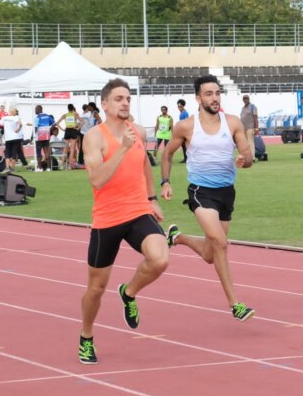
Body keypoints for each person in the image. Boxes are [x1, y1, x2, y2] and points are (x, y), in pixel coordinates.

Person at [78, 78, 169, 365]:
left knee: (160, 259)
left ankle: (129, 293)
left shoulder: (137, 131)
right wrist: (121, 149)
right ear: (104, 105)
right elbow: (97, 179)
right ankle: (86, 336)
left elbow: (143, 163)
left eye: (128, 98)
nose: (125, 103)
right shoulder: (94, 137)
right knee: (95, 288)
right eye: (118, 99)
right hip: (107, 218)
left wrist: (152, 197)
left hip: (137, 210)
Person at [159, 74, 255, 323]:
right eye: (209, 94)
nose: (214, 98)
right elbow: (167, 154)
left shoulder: (232, 122)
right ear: (198, 98)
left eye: (217, 93)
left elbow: (248, 155)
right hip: (200, 192)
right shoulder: (186, 126)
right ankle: (235, 304)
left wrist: (245, 160)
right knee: (221, 243)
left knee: (211, 254)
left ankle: (177, 237)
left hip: (226, 192)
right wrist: (166, 182)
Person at [56, 104, 81, 168]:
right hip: (73, 130)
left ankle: (61, 164)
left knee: (65, 148)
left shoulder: (65, 115)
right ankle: (70, 165)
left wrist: (62, 129)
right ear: (73, 108)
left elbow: (57, 123)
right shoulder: (75, 114)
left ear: (68, 109)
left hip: (67, 130)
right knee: (72, 149)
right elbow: (83, 121)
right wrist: (78, 128)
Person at [34, 105, 55, 172]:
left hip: (39, 136)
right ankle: (49, 168)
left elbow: (35, 127)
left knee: (38, 152)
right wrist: (49, 130)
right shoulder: (47, 116)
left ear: (39, 109)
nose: (35, 111)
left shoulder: (37, 117)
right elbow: (54, 123)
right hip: (46, 135)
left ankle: (39, 168)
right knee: (47, 152)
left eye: (36, 109)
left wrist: (34, 136)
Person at [240, 94, 259, 160]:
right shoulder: (243, 108)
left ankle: (252, 158)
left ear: (249, 99)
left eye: (246, 99)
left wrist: (256, 128)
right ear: (243, 100)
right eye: (244, 99)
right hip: (243, 128)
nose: (245, 100)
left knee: (250, 142)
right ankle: (247, 157)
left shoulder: (253, 107)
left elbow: (255, 118)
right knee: (245, 144)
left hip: (250, 127)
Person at [176, 98, 189, 163]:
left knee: (185, 146)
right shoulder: (181, 113)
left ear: (183, 106)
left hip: (184, 131)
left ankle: (187, 159)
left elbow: (186, 122)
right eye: (178, 106)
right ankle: (185, 158)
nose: (179, 107)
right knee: (183, 146)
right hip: (182, 131)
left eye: (180, 106)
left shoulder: (185, 113)